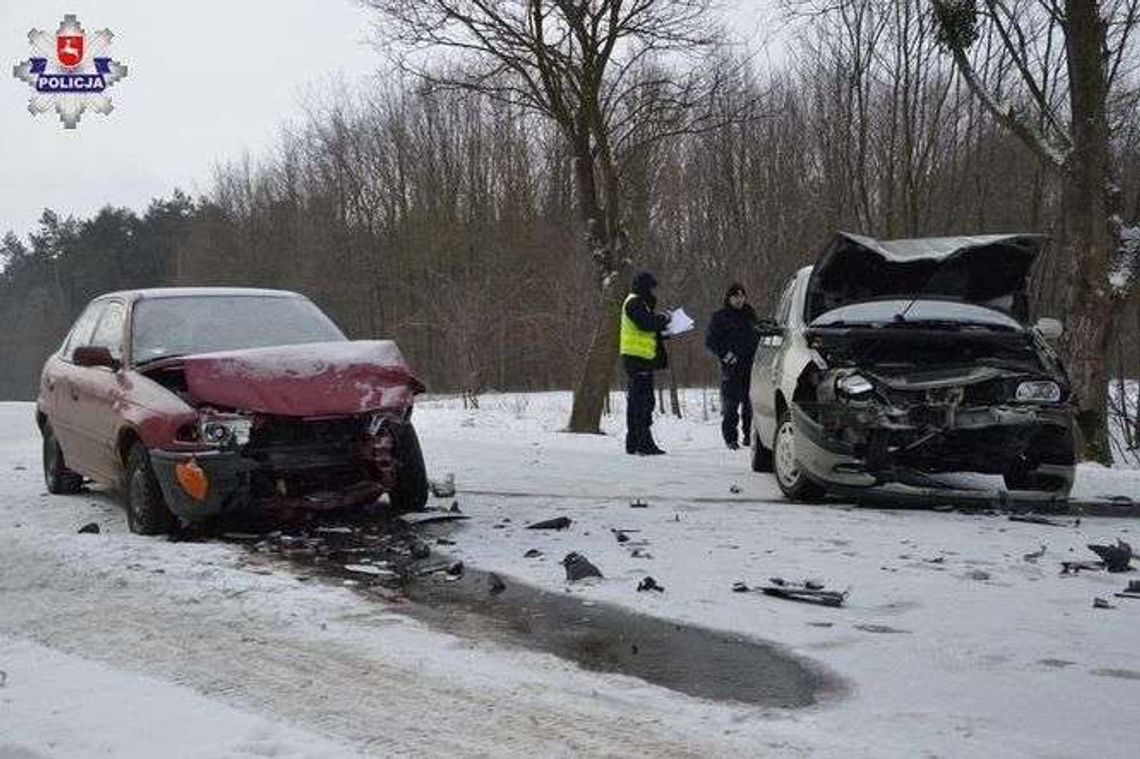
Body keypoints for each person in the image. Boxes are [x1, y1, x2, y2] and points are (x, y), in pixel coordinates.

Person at [620, 271, 670, 455]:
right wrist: (664, 319)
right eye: (651, 287)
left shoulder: (637, 302)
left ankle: (633, 442)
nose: (652, 292)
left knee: (636, 402)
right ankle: (643, 443)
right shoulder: (635, 302)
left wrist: (663, 331)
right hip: (637, 359)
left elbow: (645, 329)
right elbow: (645, 324)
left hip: (639, 359)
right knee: (644, 402)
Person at [705, 283, 760, 450]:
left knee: (750, 405)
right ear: (729, 298)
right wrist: (726, 355)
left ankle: (748, 437)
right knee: (731, 405)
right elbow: (711, 342)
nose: (739, 299)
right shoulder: (720, 317)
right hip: (731, 367)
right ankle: (730, 438)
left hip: (751, 365)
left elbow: (757, 335)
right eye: (736, 296)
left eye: (742, 296)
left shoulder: (750, 314)